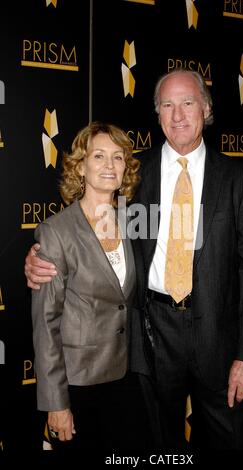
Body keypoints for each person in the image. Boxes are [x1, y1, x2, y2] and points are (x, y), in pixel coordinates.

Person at [25, 69, 243, 450]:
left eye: (188, 103)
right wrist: (39, 258)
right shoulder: (133, 175)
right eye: (167, 105)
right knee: (157, 448)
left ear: (205, 108)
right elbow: (87, 231)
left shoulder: (239, 178)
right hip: (151, 338)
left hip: (219, 340)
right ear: (157, 114)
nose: (178, 115)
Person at [29, 121, 153, 451]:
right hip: (79, 382)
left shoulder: (134, 220)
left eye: (117, 157)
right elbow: (45, 324)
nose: (109, 166)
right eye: (98, 156)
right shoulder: (57, 232)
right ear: (80, 167)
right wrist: (56, 403)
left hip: (129, 376)